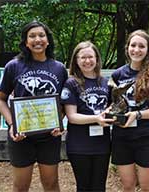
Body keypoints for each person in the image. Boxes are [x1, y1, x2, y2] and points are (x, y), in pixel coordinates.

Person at [0, 20, 68, 192]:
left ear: (48, 40)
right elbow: (1, 99)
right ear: (26, 42)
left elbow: (65, 102)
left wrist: (60, 121)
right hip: (21, 136)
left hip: (49, 136)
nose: (37, 39)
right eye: (32, 36)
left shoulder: (59, 68)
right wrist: (12, 124)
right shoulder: (13, 66)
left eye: (41, 35)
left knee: (51, 184)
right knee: (21, 186)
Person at [110, 29, 149, 192]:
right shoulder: (118, 74)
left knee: (147, 186)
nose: (137, 49)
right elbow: (113, 104)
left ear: (148, 50)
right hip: (122, 137)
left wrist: (138, 114)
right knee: (128, 186)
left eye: (142, 46)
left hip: (146, 137)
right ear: (127, 48)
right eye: (133, 45)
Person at [60, 41, 114, 192]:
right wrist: (96, 119)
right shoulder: (71, 83)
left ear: (97, 58)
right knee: (83, 187)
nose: (87, 61)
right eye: (83, 57)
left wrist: (111, 112)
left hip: (102, 143)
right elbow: (72, 116)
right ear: (76, 60)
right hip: (79, 144)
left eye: (91, 57)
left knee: (99, 186)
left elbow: (110, 106)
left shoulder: (105, 82)